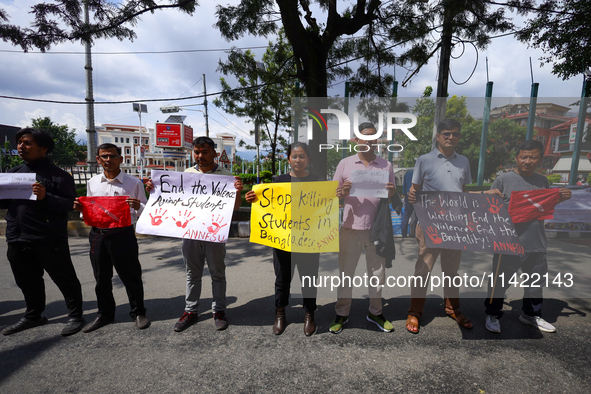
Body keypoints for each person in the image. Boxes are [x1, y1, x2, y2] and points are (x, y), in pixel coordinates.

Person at [405, 119, 502, 334]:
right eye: (447, 133)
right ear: (438, 136)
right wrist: (411, 195)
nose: (451, 137)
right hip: (429, 224)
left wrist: (487, 194)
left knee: (451, 272)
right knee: (423, 269)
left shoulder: (464, 162)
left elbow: (463, 193)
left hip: (456, 226)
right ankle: (415, 312)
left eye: (455, 134)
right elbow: (414, 192)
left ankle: (452, 308)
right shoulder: (424, 160)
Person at [146, 136, 243, 332]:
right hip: (190, 233)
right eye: (197, 152)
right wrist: (153, 190)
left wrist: (238, 191)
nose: (200, 156)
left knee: (217, 273)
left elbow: (235, 207)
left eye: (204, 152)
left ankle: (219, 310)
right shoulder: (186, 175)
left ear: (214, 154)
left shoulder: (226, 175)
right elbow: (171, 201)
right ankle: (190, 310)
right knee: (192, 274)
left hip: (214, 233)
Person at [1, 128, 85, 336]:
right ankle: (33, 316)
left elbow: (69, 204)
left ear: (43, 148)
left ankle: (75, 316)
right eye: (19, 143)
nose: (21, 147)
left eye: (27, 143)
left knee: (65, 279)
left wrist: (45, 197)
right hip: (17, 236)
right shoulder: (14, 174)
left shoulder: (59, 176)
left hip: (48, 238)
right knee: (26, 280)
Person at [484, 140, 571, 333]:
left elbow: (542, 209)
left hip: (536, 242)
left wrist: (559, 198)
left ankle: (530, 315)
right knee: (499, 281)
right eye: (524, 157)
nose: (527, 161)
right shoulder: (503, 180)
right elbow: (490, 208)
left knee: (535, 282)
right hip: (508, 242)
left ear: (540, 159)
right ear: (516, 158)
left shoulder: (542, 181)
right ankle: (492, 313)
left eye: (533, 157)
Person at [245, 142, 321, 336]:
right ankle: (280, 313)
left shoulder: (318, 182)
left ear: (308, 159)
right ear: (288, 159)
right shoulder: (278, 180)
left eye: (302, 156)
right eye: (294, 156)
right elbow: (267, 204)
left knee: (309, 278)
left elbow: (325, 208)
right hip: (282, 239)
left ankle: (309, 314)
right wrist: (253, 198)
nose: (298, 160)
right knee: (282, 279)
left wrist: (337, 196)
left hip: (308, 240)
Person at [73, 143, 150, 332]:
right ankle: (104, 314)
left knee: (131, 276)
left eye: (112, 156)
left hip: (123, 234)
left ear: (120, 159)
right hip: (98, 235)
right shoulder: (92, 183)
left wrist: (137, 206)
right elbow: (88, 213)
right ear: (98, 160)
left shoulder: (134, 183)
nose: (108, 160)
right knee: (101, 277)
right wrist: (81, 210)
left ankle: (138, 312)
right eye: (104, 156)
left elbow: (146, 211)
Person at [330, 122, 397, 334]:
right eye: (364, 137)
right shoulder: (345, 164)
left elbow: (392, 195)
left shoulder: (386, 166)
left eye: (372, 137)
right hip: (349, 227)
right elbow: (333, 195)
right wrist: (342, 191)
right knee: (346, 273)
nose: (368, 140)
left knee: (377, 273)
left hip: (377, 228)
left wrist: (392, 191)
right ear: (355, 141)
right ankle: (342, 313)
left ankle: (376, 311)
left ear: (377, 141)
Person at [401, 169, 415, 238]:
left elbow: (404, 185)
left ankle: (404, 234)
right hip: (417, 195)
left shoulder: (407, 174)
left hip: (408, 195)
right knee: (418, 216)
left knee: (406, 216)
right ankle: (415, 233)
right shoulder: (420, 173)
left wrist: (404, 194)